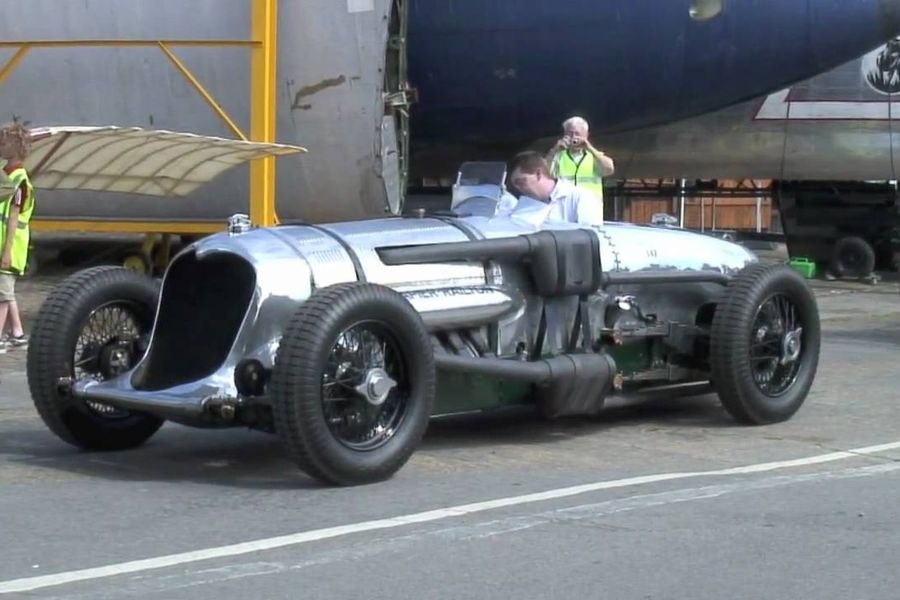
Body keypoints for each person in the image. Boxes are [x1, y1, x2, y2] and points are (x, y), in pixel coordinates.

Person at [0, 121, 34, 352]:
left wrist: (7, 251)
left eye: (3, 142)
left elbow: (13, 217)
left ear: (14, 146)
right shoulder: (6, 175)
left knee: (2, 293)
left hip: (10, 247)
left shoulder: (20, 181)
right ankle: (19, 333)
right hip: (3, 244)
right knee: (6, 291)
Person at [506, 151, 603, 227]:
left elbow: (591, 239)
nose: (518, 188)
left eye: (521, 182)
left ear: (538, 174)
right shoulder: (524, 204)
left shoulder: (581, 198)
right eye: (515, 185)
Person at [544, 115, 614, 210]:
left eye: (577, 134)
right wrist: (555, 150)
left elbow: (609, 169)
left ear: (586, 135)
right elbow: (544, 174)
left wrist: (589, 148)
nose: (574, 138)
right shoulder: (558, 156)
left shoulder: (594, 156)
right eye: (570, 134)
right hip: (565, 207)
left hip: (590, 207)